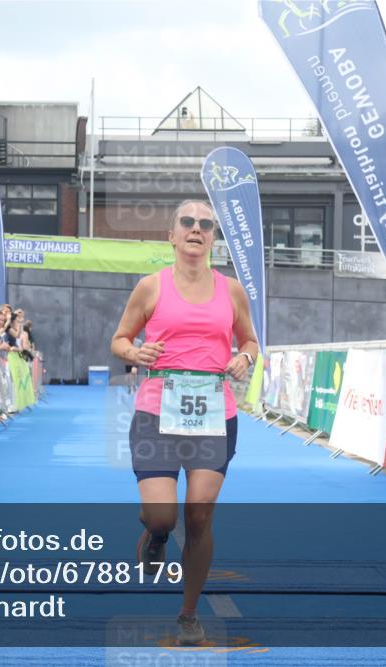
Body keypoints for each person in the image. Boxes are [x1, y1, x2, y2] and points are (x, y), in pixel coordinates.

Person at [110, 200, 258, 646]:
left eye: (206, 225)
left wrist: (244, 356)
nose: (197, 229)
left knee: (198, 516)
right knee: (162, 516)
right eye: (188, 223)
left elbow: (250, 338)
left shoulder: (231, 290)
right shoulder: (150, 287)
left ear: (213, 237)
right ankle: (154, 537)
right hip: (158, 411)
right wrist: (134, 353)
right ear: (171, 235)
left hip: (215, 413)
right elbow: (119, 339)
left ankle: (189, 612)